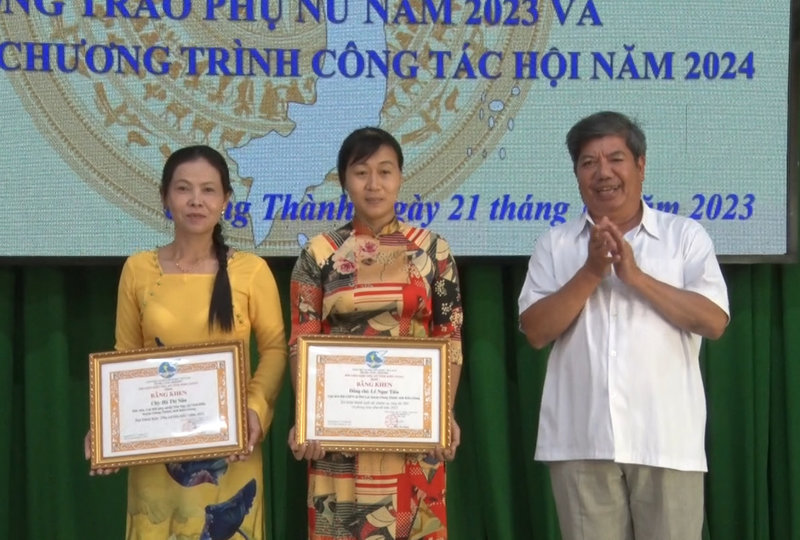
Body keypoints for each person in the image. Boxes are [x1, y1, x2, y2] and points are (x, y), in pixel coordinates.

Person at [518, 111, 730, 540]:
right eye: (588, 163)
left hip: (666, 440)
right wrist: (592, 271)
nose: (603, 173)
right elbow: (536, 331)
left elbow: (713, 321)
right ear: (577, 175)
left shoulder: (685, 236)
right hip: (580, 440)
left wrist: (636, 277)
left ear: (641, 165)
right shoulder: (554, 244)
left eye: (615, 159)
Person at [84, 145, 287, 539]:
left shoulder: (251, 271)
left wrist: (254, 409)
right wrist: (107, 427)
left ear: (226, 200)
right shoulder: (138, 269)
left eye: (208, 190)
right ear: (165, 197)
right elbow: (124, 358)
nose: (196, 200)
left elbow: (276, 349)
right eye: (183, 188)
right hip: (155, 455)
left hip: (231, 450)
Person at [287, 127, 463, 540]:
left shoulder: (432, 251)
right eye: (361, 172)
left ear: (400, 177)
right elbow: (301, 340)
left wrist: (443, 415)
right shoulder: (319, 253)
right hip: (338, 441)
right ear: (344, 181)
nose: (374, 184)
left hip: (414, 438)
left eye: (385, 171)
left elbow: (449, 337)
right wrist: (307, 419)